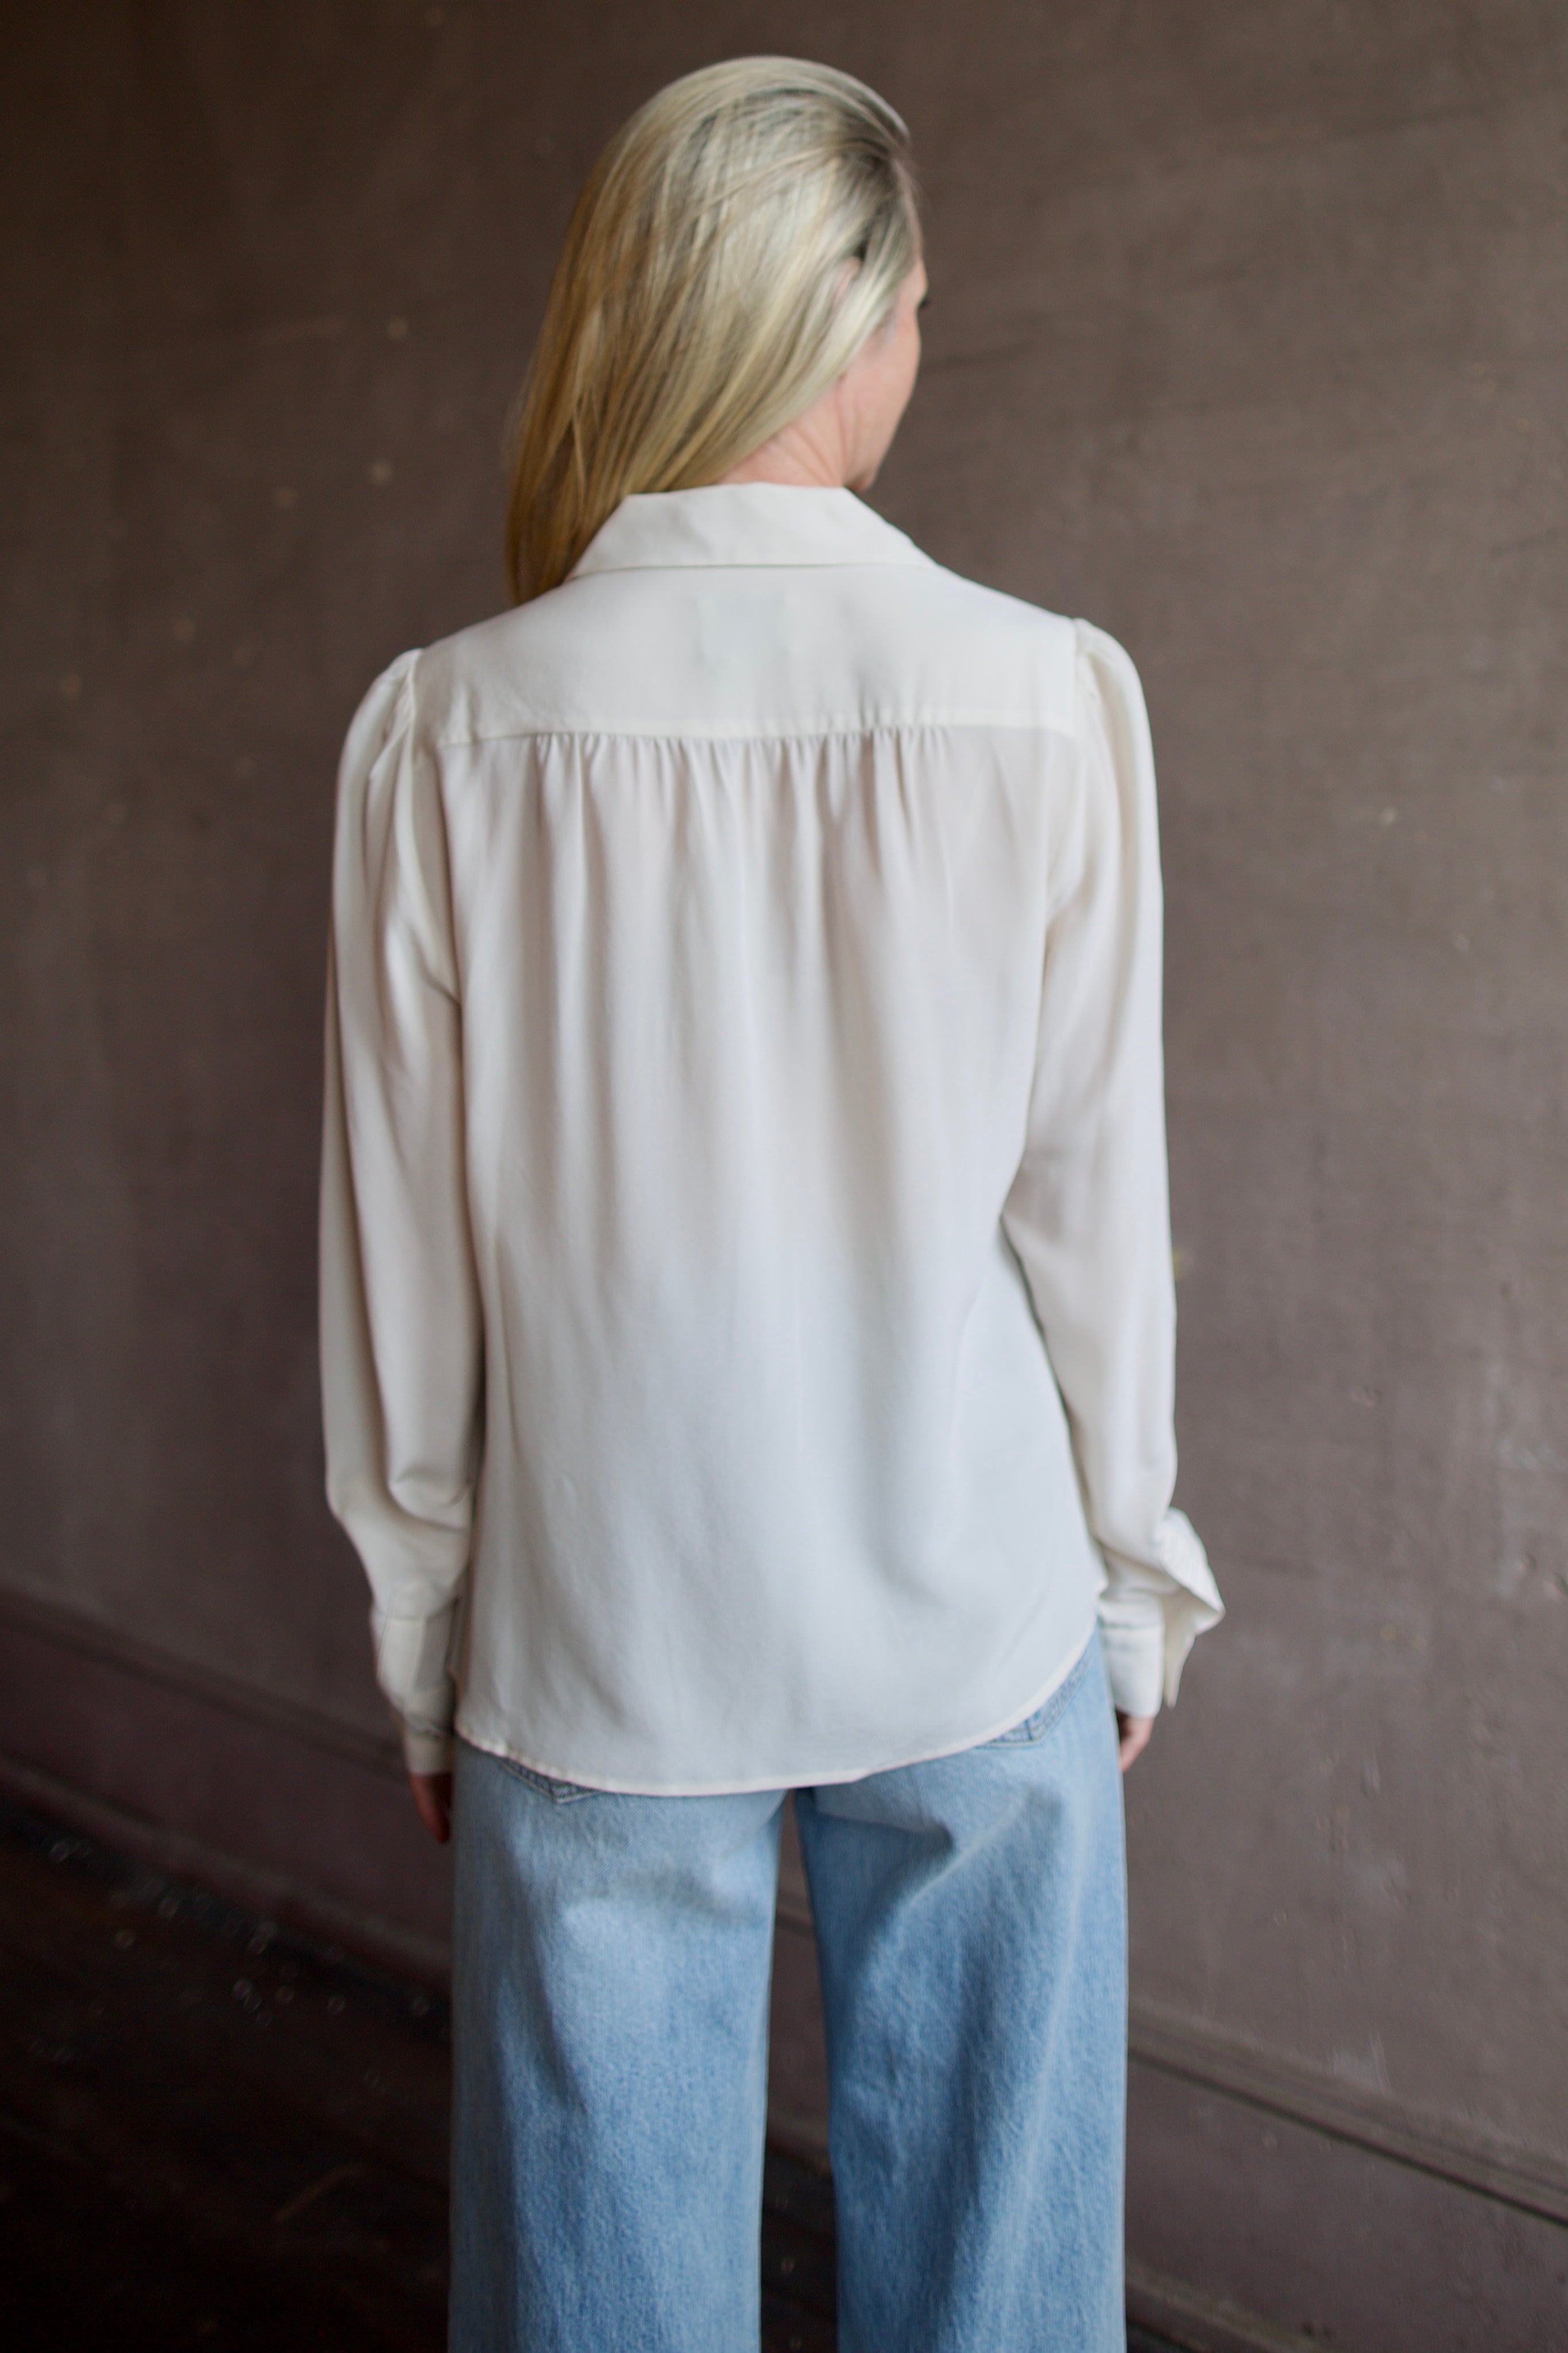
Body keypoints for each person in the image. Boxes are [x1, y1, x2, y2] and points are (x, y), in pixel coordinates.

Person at [320, 55, 1222, 2353]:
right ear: (858, 321)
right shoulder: (1042, 699)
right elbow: (1090, 1209)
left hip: (597, 1617)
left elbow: (401, 1270)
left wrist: (427, 1635)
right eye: (918, 304)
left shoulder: (441, 732)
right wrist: (1128, 1574)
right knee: (1002, 2299)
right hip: (971, 1603)